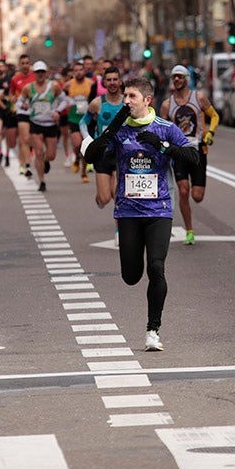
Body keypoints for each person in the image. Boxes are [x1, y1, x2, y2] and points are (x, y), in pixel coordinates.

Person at [83, 77, 199, 351]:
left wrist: (163, 146)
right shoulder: (120, 130)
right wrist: (112, 128)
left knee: (156, 267)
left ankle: (152, 331)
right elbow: (92, 156)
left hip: (159, 209)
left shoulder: (165, 128)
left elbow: (192, 158)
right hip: (128, 212)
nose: (126, 101)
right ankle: (148, 320)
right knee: (131, 276)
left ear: (147, 100)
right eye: (125, 96)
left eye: (132, 96)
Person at [160, 64, 219, 245]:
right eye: (174, 77)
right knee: (183, 191)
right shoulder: (167, 105)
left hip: (198, 150)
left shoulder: (199, 98)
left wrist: (210, 133)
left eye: (180, 76)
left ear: (186, 78)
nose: (177, 80)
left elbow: (215, 116)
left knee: (197, 196)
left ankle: (190, 228)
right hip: (179, 152)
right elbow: (162, 129)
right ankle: (190, 231)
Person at [17, 61, 70, 192]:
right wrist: (25, 108)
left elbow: (65, 100)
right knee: (39, 152)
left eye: (42, 72)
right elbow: (18, 103)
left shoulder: (54, 86)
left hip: (51, 124)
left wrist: (58, 111)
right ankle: (42, 181)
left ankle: (46, 161)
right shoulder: (28, 88)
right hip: (36, 123)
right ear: (34, 73)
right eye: (37, 72)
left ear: (46, 73)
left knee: (51, 155)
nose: (40, 75)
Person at [81, 64, 124, 208]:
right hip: (102, 154)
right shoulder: (97, 103)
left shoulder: (128, 103)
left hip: (121, 153)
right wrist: (88, 139)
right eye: (109, 80)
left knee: (118, 194)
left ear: (120, 81)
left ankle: (119, 230)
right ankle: (99, 197)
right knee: (105, 198)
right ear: (104, 83)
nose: (112, 83)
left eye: (115, 79)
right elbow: (83, 122)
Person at [65, 61, 94, 182]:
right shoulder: (68, 85)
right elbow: (62, 98)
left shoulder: (91, 84)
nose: (78, 72)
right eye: (75, 70)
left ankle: (83, 172)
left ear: (84, 71)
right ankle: (76, 158)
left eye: (80, 70)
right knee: (77, 145)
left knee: (85, 146)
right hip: (74, 118)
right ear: (73, 72)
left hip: (87, 118)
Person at [9, 55, 36, 176]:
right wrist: (13, 99)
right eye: (23, 63)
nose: (25, 65)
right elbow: (11, 94)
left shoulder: (35, 77)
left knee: (30, 140)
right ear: (19, 65)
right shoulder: (15, 79)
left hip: (34, 112)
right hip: (21, 111)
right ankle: (26, 165)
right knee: (24, 138)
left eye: (27, 63)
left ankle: (24, 160)